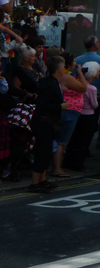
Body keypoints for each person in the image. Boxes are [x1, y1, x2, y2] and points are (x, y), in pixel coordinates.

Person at [29, 56, 68, 193]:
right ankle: (35, 183)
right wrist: (60, 106)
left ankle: (42, 180)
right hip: (43, 122)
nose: (64, 68)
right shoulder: (49, 83)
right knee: (42, 151)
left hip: (49, 122)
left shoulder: (51, 81)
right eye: (63, 66)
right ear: (58, 68)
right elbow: (43, 104)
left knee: (46, 151)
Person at [51, 54, 89, 178]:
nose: (76, 64)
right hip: (69, 111)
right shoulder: (66, 77)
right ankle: (57, 168)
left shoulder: (64, 76)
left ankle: (56, 167)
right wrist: (80, 73)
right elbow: (84, 88)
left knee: (59, 141)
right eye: (74, 62)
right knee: (61, 141)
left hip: (68, 111)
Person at [65, 61, 100, 171]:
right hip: (88, 115)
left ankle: (68, 161)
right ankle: (78, 164)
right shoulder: (92, 88)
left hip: (79, 113)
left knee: (74, 139)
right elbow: (94, 104)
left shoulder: (78, 83)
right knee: (83, 142)